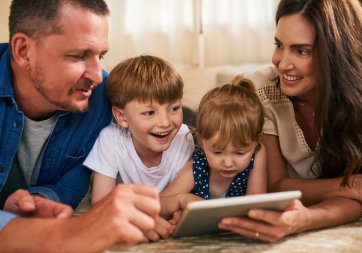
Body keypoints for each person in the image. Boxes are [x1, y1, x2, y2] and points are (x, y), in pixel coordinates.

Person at [0, 0, 161, 251]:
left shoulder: (102, 97)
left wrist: (36, 201)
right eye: (78, 56)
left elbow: (70, 185)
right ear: (23, 51)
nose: (97, 75)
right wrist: (62, 234)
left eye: (101, 55)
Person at [217, 0, 362, 242]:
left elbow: (360, 200)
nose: (282, 63)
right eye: (279, 45)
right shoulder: (262, 90)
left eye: (301, 50)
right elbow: (275, 185)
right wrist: (355, 184)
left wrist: (307, 218)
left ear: (337, 54)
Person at [84, 55, 194, 240]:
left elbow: (185, 201)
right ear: (122, 117)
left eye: (174, 108)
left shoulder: (186, 138)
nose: (165, 122)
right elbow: (101, 206)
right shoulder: (110, 139)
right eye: (149, 112)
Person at [160, 76, 267, 218]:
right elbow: (158, 205)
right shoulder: (197, 168)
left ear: (256, 143)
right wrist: (181, 200)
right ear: (202, 142)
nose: (228, 163)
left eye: (240, 153)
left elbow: (256, 206)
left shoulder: (258, 153)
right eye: (217, 152)